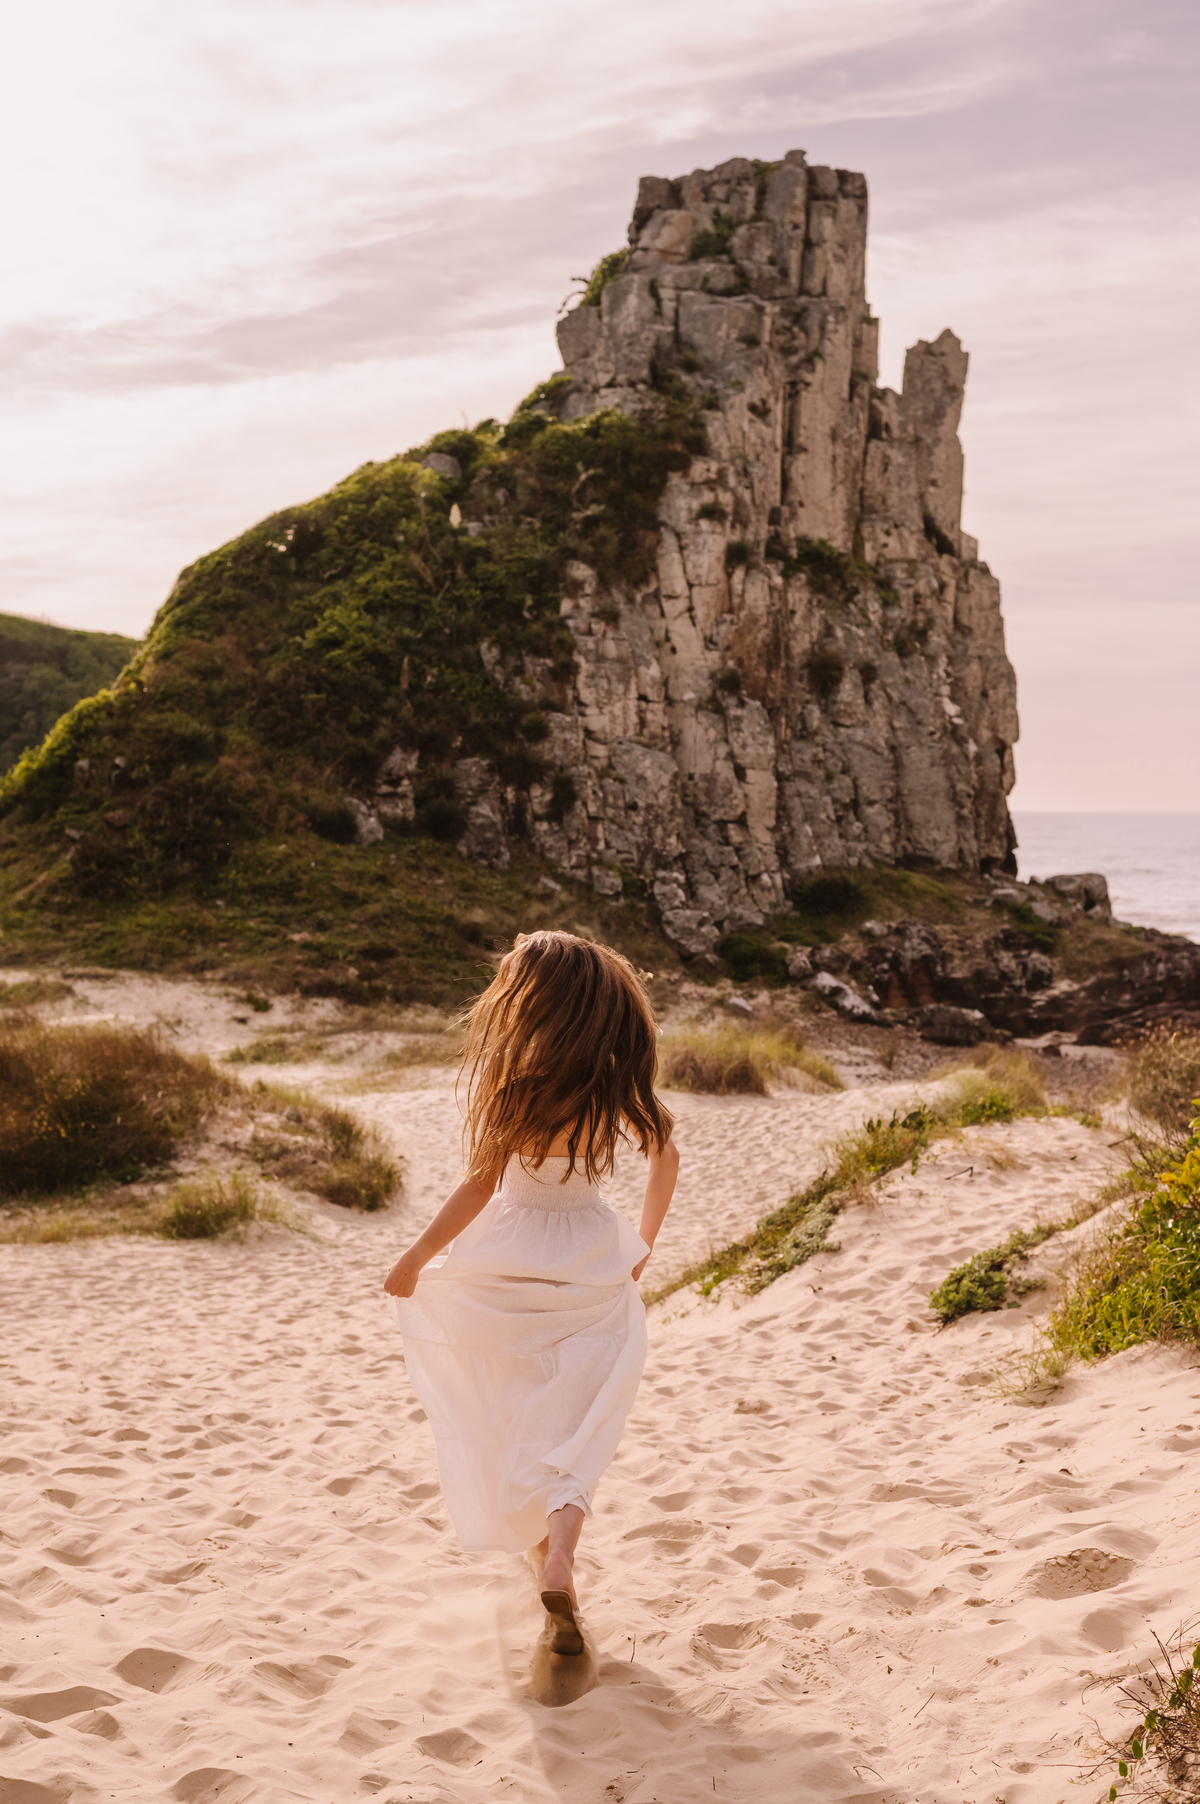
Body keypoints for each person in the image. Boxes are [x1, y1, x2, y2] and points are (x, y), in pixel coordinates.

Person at [383, 930, 679, 1654]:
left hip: (506, 1262)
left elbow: (479, 1185)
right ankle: (560, 1558)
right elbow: (665, 1155)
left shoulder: (516, 1086)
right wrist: (642, 1243)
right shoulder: (609, 1082)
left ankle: (539, 1557)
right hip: (590, 1261)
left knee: (510, 1411)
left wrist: (419, 1255)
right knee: (579, 1426)